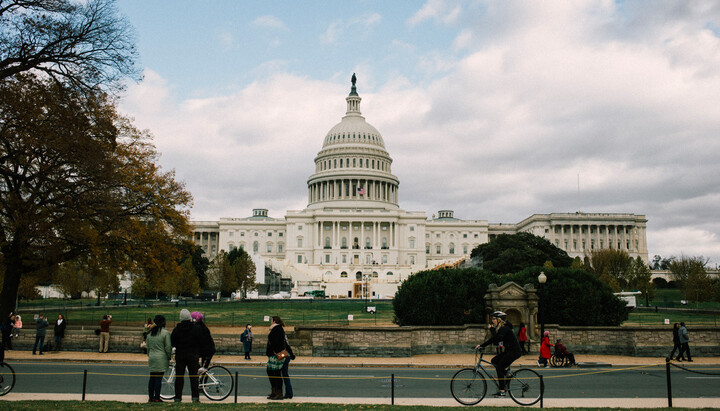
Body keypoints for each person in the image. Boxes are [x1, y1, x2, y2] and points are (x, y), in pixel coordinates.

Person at [475, 311, 521, 398]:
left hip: (514, 351)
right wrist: (481, 345)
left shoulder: (504, 328)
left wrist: (491, 331)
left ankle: (502, 391)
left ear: (499, 320)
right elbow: (495, 340)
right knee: (494, 360)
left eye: (493, 319)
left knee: (499, 367)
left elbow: (496, 339)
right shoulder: (502, 328)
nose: (492, 321)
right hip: (509, 351)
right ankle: (506, 373)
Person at [171, 308, 201, 403]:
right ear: (189, 318)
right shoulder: (195, 328)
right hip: (192, 355)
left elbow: (173, 342)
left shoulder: (176, 330)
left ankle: (178, 397)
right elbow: (199, 341)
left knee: (179, 377)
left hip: (180, 355)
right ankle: (195, 397)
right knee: (194, 378)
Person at [146, 315, 172, 403]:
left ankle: (150, 397)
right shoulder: (165, 333)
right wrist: (169, 357)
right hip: (161, 357)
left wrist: (150, 355)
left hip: (152, 357)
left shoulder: (150, 333)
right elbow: (168, 347)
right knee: (158, 379)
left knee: (152, 378)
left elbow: (148, 347)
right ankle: (157, 397)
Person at [266, 316, 286, 400]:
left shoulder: (277, 329)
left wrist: (274, 350)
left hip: (275, 354)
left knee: (276, 373)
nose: (270, 322)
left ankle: (279, 393)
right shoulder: (277, 329)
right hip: (274, 354)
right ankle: (274, 391)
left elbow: (275, 342)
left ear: (274, 321)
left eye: (271, 320)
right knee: (271, 371)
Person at [281, 332, 296, 399]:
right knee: (285, 374)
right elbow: (287, 346)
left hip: (284, 355)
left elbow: (286, 346)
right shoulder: (284, 335)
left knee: (284, 374)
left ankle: (288, 393)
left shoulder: (280, 335)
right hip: (287, 355)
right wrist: (292, 355)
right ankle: (288, 393)